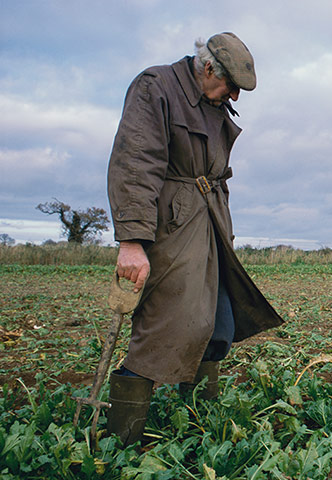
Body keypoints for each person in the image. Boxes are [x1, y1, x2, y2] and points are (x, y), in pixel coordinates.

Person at [106, 32, 283, 446]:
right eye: (232, 87)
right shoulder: (156, 87)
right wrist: (132, 241)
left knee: (218, 324)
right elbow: (136, 162)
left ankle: (197, 426)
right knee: (163, 327)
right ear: (208, 69)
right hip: (172, 227)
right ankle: (123, 442)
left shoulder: (213, 102)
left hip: (212, 226)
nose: (235, 98)